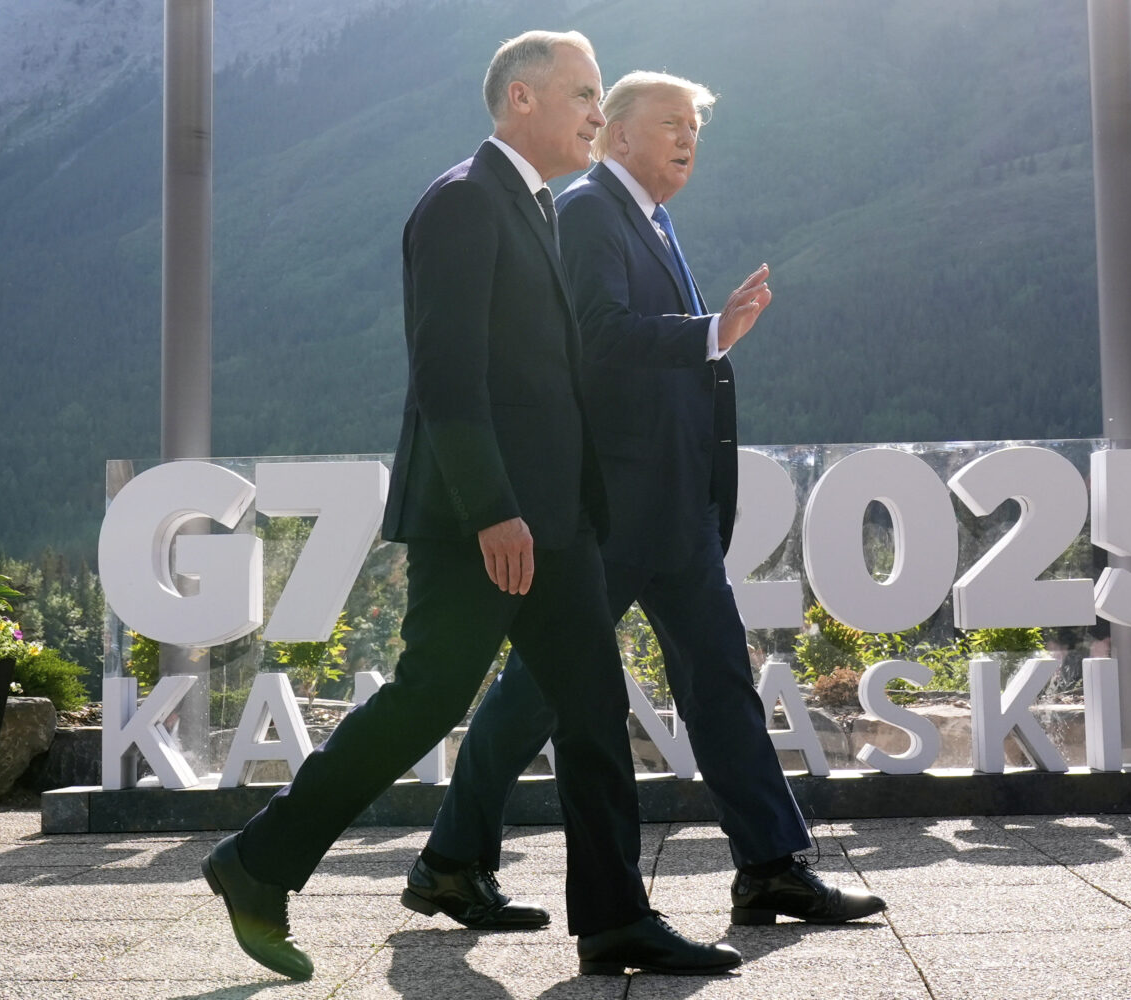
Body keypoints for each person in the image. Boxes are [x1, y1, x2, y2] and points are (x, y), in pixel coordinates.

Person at [199, 33, 741, 981]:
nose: (596, 113)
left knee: (593, 710)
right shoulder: (461, 202)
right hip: (481, 523)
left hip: (556, 524)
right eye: (583, 95)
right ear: (521, 99)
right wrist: (493, 510)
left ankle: (616, 919)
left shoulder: (533, 205)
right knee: (426, 700)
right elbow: (448, 378)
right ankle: (257, 861)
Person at [403, 70, 885, 933]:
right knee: (537, 692)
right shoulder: (590, 210)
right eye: (670, 122)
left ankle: (771, 867)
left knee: (720, 680)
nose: (687, 137)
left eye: (695, 125)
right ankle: (449, 860)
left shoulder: (651, 219)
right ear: (618, 133)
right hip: (612, 509)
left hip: (673, 508)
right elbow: (595, 333)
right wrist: (711, 333)